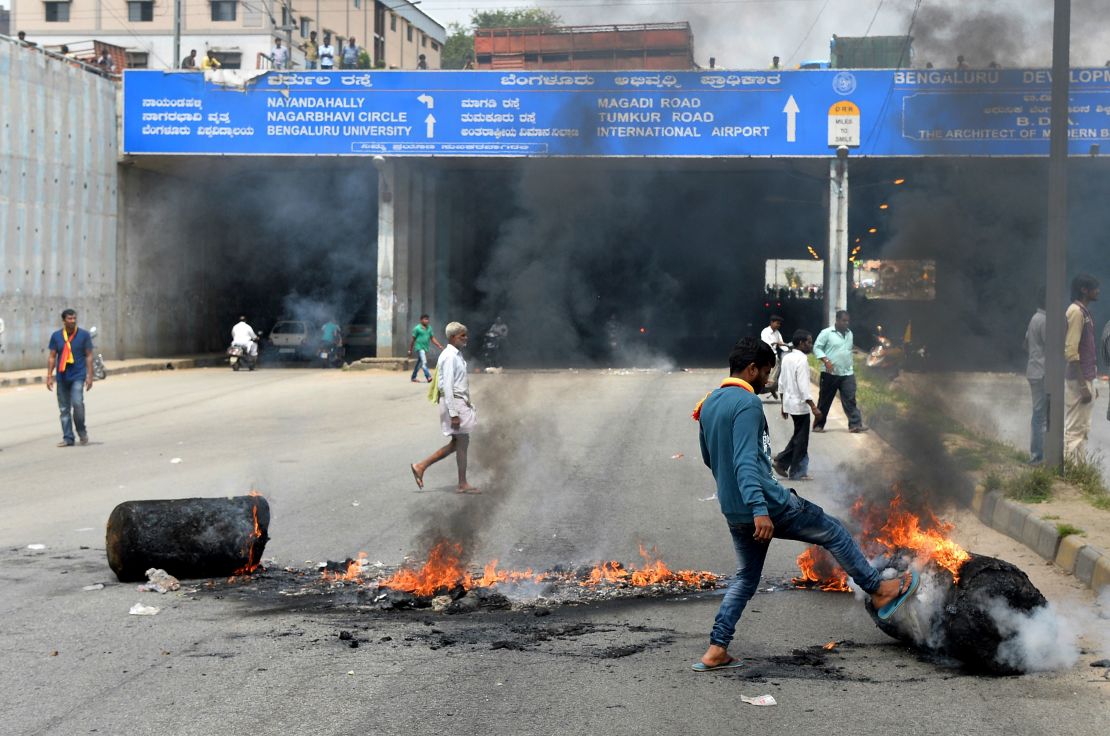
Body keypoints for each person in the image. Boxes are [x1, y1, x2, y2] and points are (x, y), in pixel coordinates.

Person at [691, 337, 918, 671]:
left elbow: (711, 458)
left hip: (733, 510)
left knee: (745, 580)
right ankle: (878, 589)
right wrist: (759, 509)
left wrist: (739, 499)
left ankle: (716, 650)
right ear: (751, 369)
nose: (768, 381)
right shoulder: (747, 403)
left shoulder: (709, 402)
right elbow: (745, 463)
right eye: (766, 373)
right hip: (768, 507)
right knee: (834, 532)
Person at [410, 322, 480, 494]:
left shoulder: (456, 355)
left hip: (458, 401)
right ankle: (461, 483)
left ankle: (421, 466)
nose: (465, 338)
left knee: (459, 442)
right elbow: (447, 386)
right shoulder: (449, 356)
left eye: (465, 335)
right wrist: (454, 413)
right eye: (462, 335)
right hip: (454, 403)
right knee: (461, 441)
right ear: (452, 337)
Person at [773, 330, 822, 481]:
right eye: (808, 342)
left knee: (799, 436)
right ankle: (794, 470)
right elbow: (803, 387)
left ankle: (783, 462)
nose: (810, 345)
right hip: (799, 405)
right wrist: (813, 406)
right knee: (801, 439)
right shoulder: (801, 360)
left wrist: (783, 404)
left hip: (789, 402)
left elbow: (780, 383)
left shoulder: (787, 358)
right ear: (801, 343)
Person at [812, 310, 866, 433]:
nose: (846, 323)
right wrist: (826, 360)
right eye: (844, 321)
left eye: (848, 321)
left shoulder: (849, 334)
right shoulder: (826, 333)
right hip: (829, 373)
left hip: (847, 373)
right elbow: (817, 347)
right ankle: (818, 425)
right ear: (837, 320)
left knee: (850, 398)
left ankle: (855, 424)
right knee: (824, 401)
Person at [46, 309, 94, 447]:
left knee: (78, 403)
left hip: (78, 375)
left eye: (74, 318)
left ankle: (81, 431)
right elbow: (52, 357)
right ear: (64, 320)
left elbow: (89, 356)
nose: (73, 321)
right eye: (70, 319)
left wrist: (90, 376)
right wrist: (49, 376)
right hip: (62, 376)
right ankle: (68, 438)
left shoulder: (84, 335)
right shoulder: (56, 336)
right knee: (64, 409)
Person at [1065, 274, 1099, 459]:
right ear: (1084, 290)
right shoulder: (1076, 312)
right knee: (1074, 430)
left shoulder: (1083, 312)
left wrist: (1092, 383)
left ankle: (1079, 473)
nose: (1098, 291)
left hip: (1086, 377)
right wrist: (1082, 385)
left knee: (1083, 428)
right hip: (1079, 379)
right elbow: (1071, 351)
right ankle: (1069, 474)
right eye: (1094, 287)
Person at [1023, 295, 1047, 464]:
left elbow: (1025, 343)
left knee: (1039, 414)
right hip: (1042, 373)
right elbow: (1052, 345)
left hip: (1034, 370)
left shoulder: (1034, 318)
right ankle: (1038, 456)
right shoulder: (1045, 320)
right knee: (1040, 416)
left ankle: (1039, 455)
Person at [409, 314, 444, 383]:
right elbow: (413, 340)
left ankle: (413, 377)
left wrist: (439, 345)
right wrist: (410, 349)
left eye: (427, 319)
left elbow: (432, 338)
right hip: (419, 348)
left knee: (419, 364)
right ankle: (428, 376)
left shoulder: (429, 328)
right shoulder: (417, 328)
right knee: (424, 362)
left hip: (425, 348)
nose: (427, 321)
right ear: (421, 320)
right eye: (425, 319)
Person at [760, 315, 787, 399]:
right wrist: (776, 342)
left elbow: (781, 344)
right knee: (767, 376)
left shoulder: (777, 333)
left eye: (779, 324)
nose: (778, 325)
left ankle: (772, 388)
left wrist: (788, 348)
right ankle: (768, 388)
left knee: (775, 376)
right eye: (777, 323)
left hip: (774, 356)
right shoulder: (765, 331)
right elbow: (767, 344)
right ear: (771, 322)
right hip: (766, 355)